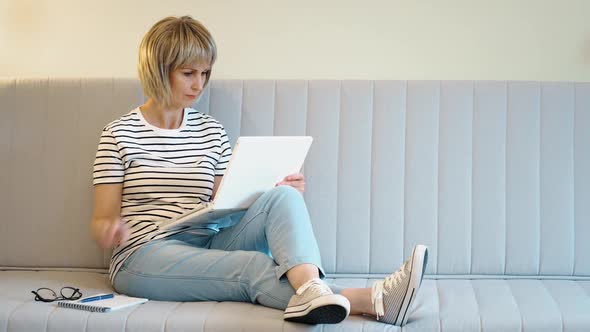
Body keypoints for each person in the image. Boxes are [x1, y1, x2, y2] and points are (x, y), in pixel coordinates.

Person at [91, 15, 428, 326]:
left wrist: (276, 193)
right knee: (253, 268)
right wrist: (109, 228)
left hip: (205, 242)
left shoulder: (212, 131)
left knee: (282, 196)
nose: (200, 84)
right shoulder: (118, 133)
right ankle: (372, 299)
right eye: (189, 73)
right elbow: (102, 219)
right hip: (144, 255)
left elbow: (224, 206)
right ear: (159, 69)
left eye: (205, 73)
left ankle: (316, 288)